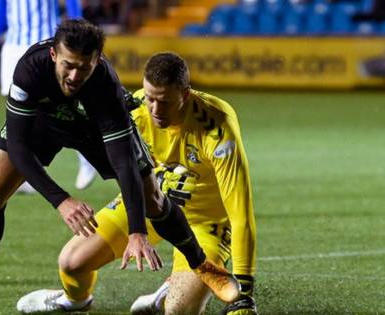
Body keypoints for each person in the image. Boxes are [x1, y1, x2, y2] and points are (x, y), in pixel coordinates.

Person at [0, 21, 239, 315]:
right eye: (68, 65)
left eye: (84, 67)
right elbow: (19, 147)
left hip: (93, 130)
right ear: (53, 56)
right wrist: (62, 201)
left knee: (153, 199)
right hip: (43, 125)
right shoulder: (29, 69)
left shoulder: (105, 86)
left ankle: (202, 265)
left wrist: (138, 232)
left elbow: (125, 165)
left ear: (97, 60)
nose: (75, 75)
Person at [16, 52, 257, 315]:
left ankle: (165, 294)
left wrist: (243, 291)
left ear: (185, 94)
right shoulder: (135, 109)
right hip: (151, 205)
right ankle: (74, 299)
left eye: (164, 102)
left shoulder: (217, 125)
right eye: (150, 98)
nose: (154, 109)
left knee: (178, 310)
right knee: (71, 262)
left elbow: (241, 215)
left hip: (204, 223)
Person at [0, 0, 97, 193]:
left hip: (44, 43)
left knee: (62, 107)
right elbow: (2, 8)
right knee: (17, 110)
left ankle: (86, 158)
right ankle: (26, 173)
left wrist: (80, 33)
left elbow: (72, 2)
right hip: (13, 45)